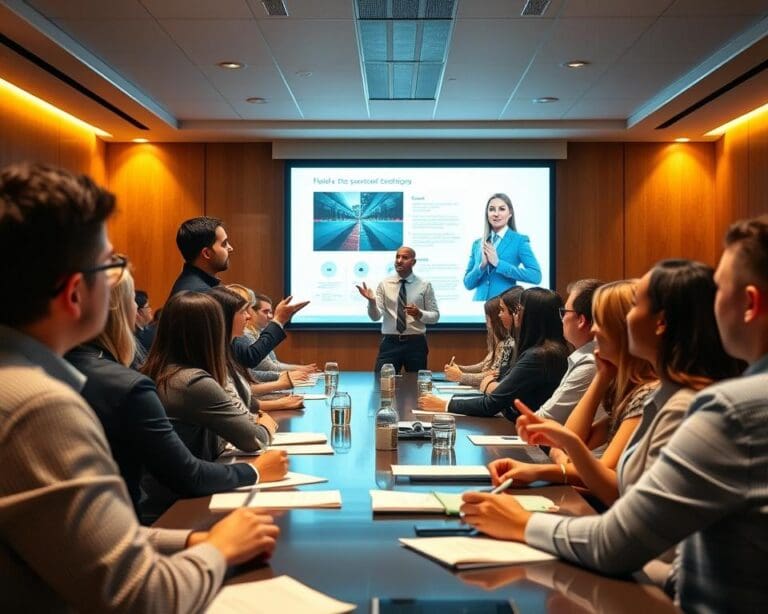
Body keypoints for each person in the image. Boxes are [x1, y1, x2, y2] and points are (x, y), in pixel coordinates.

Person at [0, 162, 279, 611]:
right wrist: (220, 549)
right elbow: (140, 597)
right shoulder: (37, 407)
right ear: (75, 294)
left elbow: (89, 543)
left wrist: (191, 538)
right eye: (111, 265)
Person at [461, 236, 766, 611]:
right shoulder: (675, 397)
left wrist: (521, 523)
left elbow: (617, 542)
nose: (601, 329)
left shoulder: (728, 410)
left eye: (633, 307)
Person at [65, 267, 288, 522]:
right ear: (213, 333)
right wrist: (255, 470)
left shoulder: (160, 372)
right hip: (171, 512)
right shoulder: (186, 382)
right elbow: (194, 473)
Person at [487, 280, 658, 507]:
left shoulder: (648, 393)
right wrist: (603, 375)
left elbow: (602, 480)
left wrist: (547, 466)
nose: (594, 329)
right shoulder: (626, 386)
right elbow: (570, 444)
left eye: (602, 322)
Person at [168, 216, 308, 370]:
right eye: (224, 244)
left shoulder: (192, 284)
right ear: (207, 253)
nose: (230, 248)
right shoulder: (203, 296)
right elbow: (247, 356)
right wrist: (279, 319)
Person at [419, 287, 569, 418]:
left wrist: (445, 404)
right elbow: (500, 380)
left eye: (518, 311)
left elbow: (492, 404)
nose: (515, 315)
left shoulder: (539, 356)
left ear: (532, 316)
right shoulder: (546, 350)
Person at [207, 286, 306, 412]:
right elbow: (252, 362)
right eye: (244, 310)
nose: (248, 316)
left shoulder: (230, 344)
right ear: (225, 314)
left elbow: (241, 390)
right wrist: (280, 381)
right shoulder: (232, 343)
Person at [356, 246, 440, 372]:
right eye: (397, 257)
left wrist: (419, 313)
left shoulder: (424, 285)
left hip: (416, 343)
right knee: (382, 384)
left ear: (413, 262)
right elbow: (375, 317)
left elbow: (435, 316)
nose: (399, 260)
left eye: (404, 257)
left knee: (415, 387)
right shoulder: (384, 284)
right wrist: (372, 302)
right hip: (390, 343)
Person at [536, 279, 604, 423]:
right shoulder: (585, 358)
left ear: (581, 320)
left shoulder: (590, 364)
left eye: (564, 312)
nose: (562, 319)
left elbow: (542, 420)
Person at [463, 193, 542, 301]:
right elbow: (468, 284)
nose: (496, 214)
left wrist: (498, 264)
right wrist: (481, 266)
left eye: (501, 209)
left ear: (510, 213)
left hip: (505, 308)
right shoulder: (478, 244)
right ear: (487, 214)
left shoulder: (519, 241)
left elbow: (536, 276)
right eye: (491, 209)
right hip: (478, 307)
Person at [228, 284, 318, 375]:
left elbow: (270, 364)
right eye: (243, 310)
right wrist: (290, 376)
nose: (248, 316)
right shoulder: (243, 335)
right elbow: (254, 364)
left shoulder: (257, 333)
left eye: (271, 312)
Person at [443, 296, 508, 387]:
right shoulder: (496, 340)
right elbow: (484, 365)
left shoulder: (506, 344)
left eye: (487, 316)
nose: (486, 320)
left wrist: (460, 376)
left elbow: (493, 375)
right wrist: (460, 369)